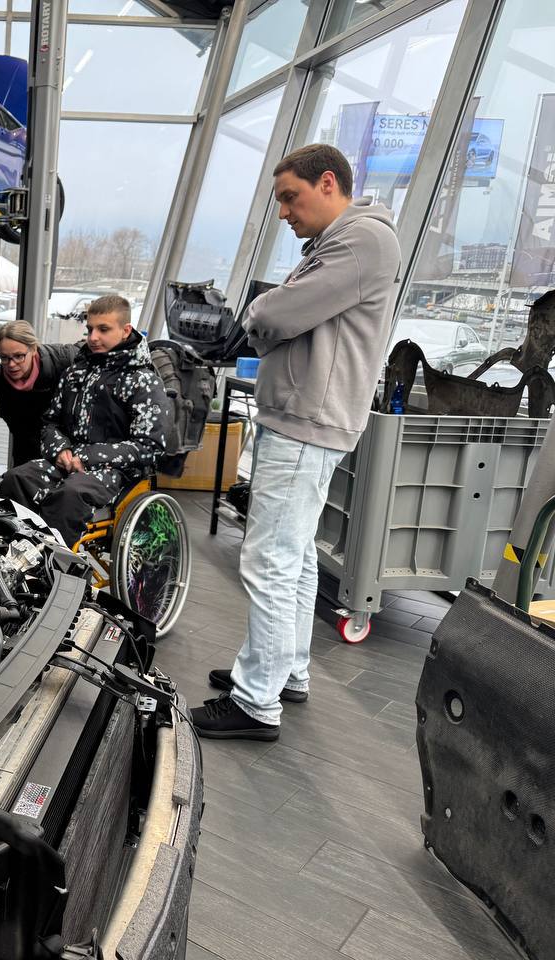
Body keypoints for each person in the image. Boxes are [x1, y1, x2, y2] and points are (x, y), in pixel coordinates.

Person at [191, 143, 401, 742]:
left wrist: (260, 309)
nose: (283, 212)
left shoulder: (361, 240)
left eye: (291, 197)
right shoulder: (342, 242)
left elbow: (275, 316)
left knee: (270, 560)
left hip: (307, 422)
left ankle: (256, 701)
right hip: (307, 417)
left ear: (328, 183)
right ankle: (286, 671)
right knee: (297, 555)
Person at [0, 295, 166, 546]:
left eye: (103, 329)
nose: (93, 337)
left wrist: (84, 457)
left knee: (69, 496)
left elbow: (150, 446)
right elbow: (50, 422)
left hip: (117, 472)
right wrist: (60, 450)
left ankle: (54, 564)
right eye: (90, 329)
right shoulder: (75, 373)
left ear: (125, 330)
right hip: (67, 462)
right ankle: (18, 548)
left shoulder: (144, 381)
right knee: (15, 479)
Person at [0, 320, 79, 466]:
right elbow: (10, 419)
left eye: (18, 356)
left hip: (66, 444)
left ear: (33, 349)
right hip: (26, 442)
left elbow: (87, 349)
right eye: (4, 357)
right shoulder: (1, 376)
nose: (11, 364)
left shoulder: (64, 360)